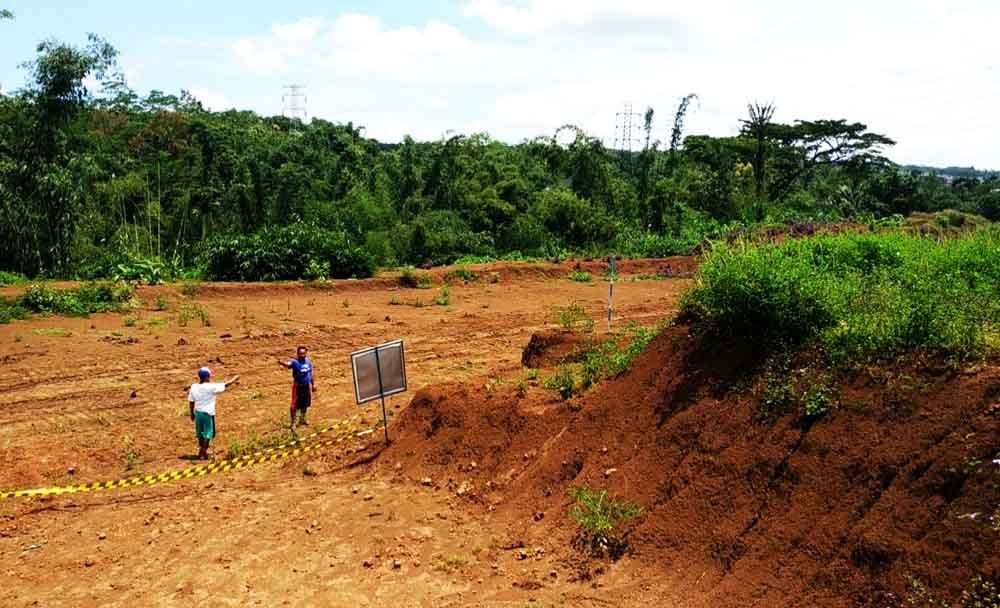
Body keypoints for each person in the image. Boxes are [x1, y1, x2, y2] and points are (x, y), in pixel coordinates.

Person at [187, 367, 240, 460]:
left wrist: (191, 413)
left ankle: (201, 449)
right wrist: (234, 379)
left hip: (198, 413)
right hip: (208, 414)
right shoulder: (210, 387)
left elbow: (191, 401)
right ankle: (203, 452)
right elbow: (225, 385)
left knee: (200, 433)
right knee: (208, 433)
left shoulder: (194, 386)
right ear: (207, 377)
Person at [278, 346, 315, 428]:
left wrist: (313, 385)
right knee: (294, 405)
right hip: (298, 387)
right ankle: (293, 422)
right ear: (297, 354)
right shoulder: (295, 362)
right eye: (300, 353)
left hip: (306, 386)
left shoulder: (308, 362)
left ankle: (302, 419)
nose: (302, 355)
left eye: (304, 353)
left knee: (305, 404)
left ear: (306, 353)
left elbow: (311, 374)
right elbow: (288, 365)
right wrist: (281, 363)